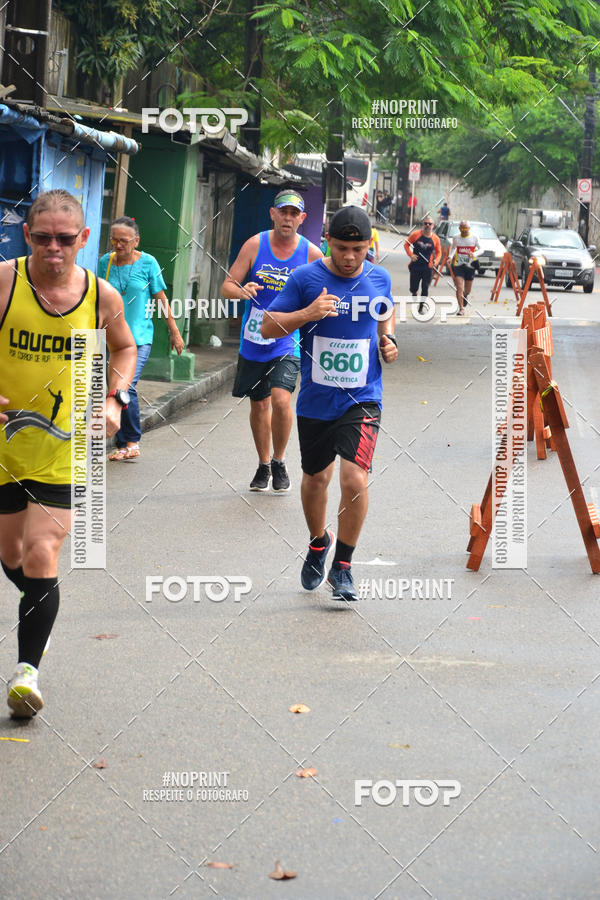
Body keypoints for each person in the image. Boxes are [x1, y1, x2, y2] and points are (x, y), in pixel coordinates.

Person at [0, 189, 136, 718]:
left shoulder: (101, 296)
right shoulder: (5, 282)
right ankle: (41, 610)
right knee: (11, 554)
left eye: (64, 238)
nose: (53, 248)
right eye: (42, 238)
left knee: (41, 550)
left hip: (67, 445)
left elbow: (123, 347)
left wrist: (115, 396)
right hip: (6, 447)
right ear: (26, 235)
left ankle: (26, 673)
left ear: (83, 238)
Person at [261, 206, 398, 602]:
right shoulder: (306, 278)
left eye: (358, 249)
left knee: (354, 479)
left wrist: (389, 340)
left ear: (369, 246)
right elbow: (268, 327)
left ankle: (343, 567)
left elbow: (386, 312)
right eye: (341, 248)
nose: (349, 257)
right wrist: (308, 313)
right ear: (327, 243)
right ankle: (319, 541)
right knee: (316, 480)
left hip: (363, 398)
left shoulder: (379, 277)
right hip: (317, 401)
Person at [221, 189, 323, 492]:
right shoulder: (256, 244)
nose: (288, 218)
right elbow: (227, 285)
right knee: (259, 405)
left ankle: (279, 460)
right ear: (273, 214)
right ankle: (263, 464)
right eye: (283, 212)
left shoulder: (311, 254)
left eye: (294, 214)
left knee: (280, 399)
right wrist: (242, 292)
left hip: (287, 337)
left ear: (302, 218)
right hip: (254, 337)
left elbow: (326, 291)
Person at [98, 217, 184, 461]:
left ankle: (132, 440)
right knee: (114, 388)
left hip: (138, 338)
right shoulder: (105, 262)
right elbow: (98, 297)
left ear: (136, 241)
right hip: (110, 337)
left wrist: (174, 331)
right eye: (114, 240)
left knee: (127, 386)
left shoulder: (148, 263)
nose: (118, 245)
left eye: (124, 241)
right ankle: (121, 444)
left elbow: (161, 299)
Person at [404, 217, 442, 315]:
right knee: (413, 287)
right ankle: (414, 292)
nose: (427, 225)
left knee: (425, 288)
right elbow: (406, 245)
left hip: (427, 267)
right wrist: (411, 255)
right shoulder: (415, 234)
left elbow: (439, 252)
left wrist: (436, 261)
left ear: (433, 226)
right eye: (426, 223)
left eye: (430, 224)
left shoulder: (435, 238)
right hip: (415, 266)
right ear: (422, 225)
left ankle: (421, 307)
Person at [448, 220, 481, 315]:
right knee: (459, 287)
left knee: (467, 290)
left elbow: (481, 249)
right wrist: (450, 257)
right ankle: (461, 308)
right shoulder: (456, 237)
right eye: (461, 228)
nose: (463, 230)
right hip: (458, 265)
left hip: (470, 266)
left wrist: (474, 254)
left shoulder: (474, 237)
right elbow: (453, 248)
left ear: (469, 228)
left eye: (465, 228)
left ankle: (465, 295)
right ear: (459, 228)